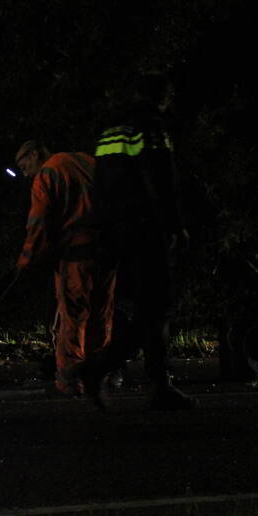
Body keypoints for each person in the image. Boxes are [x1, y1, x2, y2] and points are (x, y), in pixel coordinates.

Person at [82, 71, 198, 410]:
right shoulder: (151, 127)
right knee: (157, 307)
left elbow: (99, 186)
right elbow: (161, 178)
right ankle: (104, 369)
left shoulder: (110, 131)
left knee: (147, 308)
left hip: (117, 234)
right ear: (161, 96)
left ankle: (157, 383)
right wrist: (174, 225)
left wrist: (103, 234)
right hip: (147, 230)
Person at [13, 140, 116, 399]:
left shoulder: (48, 173)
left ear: (35, 154)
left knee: (73, 317)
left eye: (24, 166)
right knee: (101, 315)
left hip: (76, 255)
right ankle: (100, 376)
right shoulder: (87, 161)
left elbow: (38, 222)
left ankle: (70, 381)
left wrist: (26, 261)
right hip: (107, 253)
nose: (25, 173)